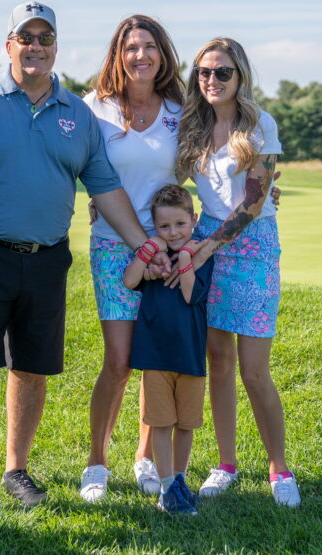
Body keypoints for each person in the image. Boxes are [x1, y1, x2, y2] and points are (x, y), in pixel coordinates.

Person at [0, 1, 152, 523]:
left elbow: (106, 187)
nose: (36, 46)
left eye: (45, 37)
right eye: (25, 36)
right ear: (8, 44)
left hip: (47, 261)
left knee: (30, 370)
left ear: (56, 47)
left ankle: (16, 470)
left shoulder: (77, 113)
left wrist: (145, 245)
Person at [175, 37, 301, 508]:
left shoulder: (259, 124)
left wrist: (206, 247)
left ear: (239, 76)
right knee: (219, 362)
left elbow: (252, 203)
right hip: (207, 243)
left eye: (222, 72)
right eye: (204, 72)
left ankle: (278, 467)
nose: (212, 80)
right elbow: (169, 182)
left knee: (253, 370)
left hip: (250, 249)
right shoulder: (192, 125)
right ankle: (225, 463)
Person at [79, 15, 185, 502]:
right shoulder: (94, 109)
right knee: (119, 361)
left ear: (162, 55)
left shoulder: (182, 113)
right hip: (112, 245)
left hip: (167, 250)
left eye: (150, 47)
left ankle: (145, 456)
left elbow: (216, 166)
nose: (140, 55)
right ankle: (96, 462)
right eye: (131, 47)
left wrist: (268, 188)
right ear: (117, 56)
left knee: (154, 360)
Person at [123, 185, 214, 515]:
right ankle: (166, 488)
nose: (173, 232)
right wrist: (150, 250)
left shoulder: (201, 254)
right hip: (155, 355)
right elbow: (130, 281)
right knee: (161, 423)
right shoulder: (155, 258)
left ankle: (179, 481)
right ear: (154, 227)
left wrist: (187, 257)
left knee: (186, 424)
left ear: (194, 219)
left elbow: (190, 296)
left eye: (180, 224)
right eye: (164, 227)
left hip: (190, 353)